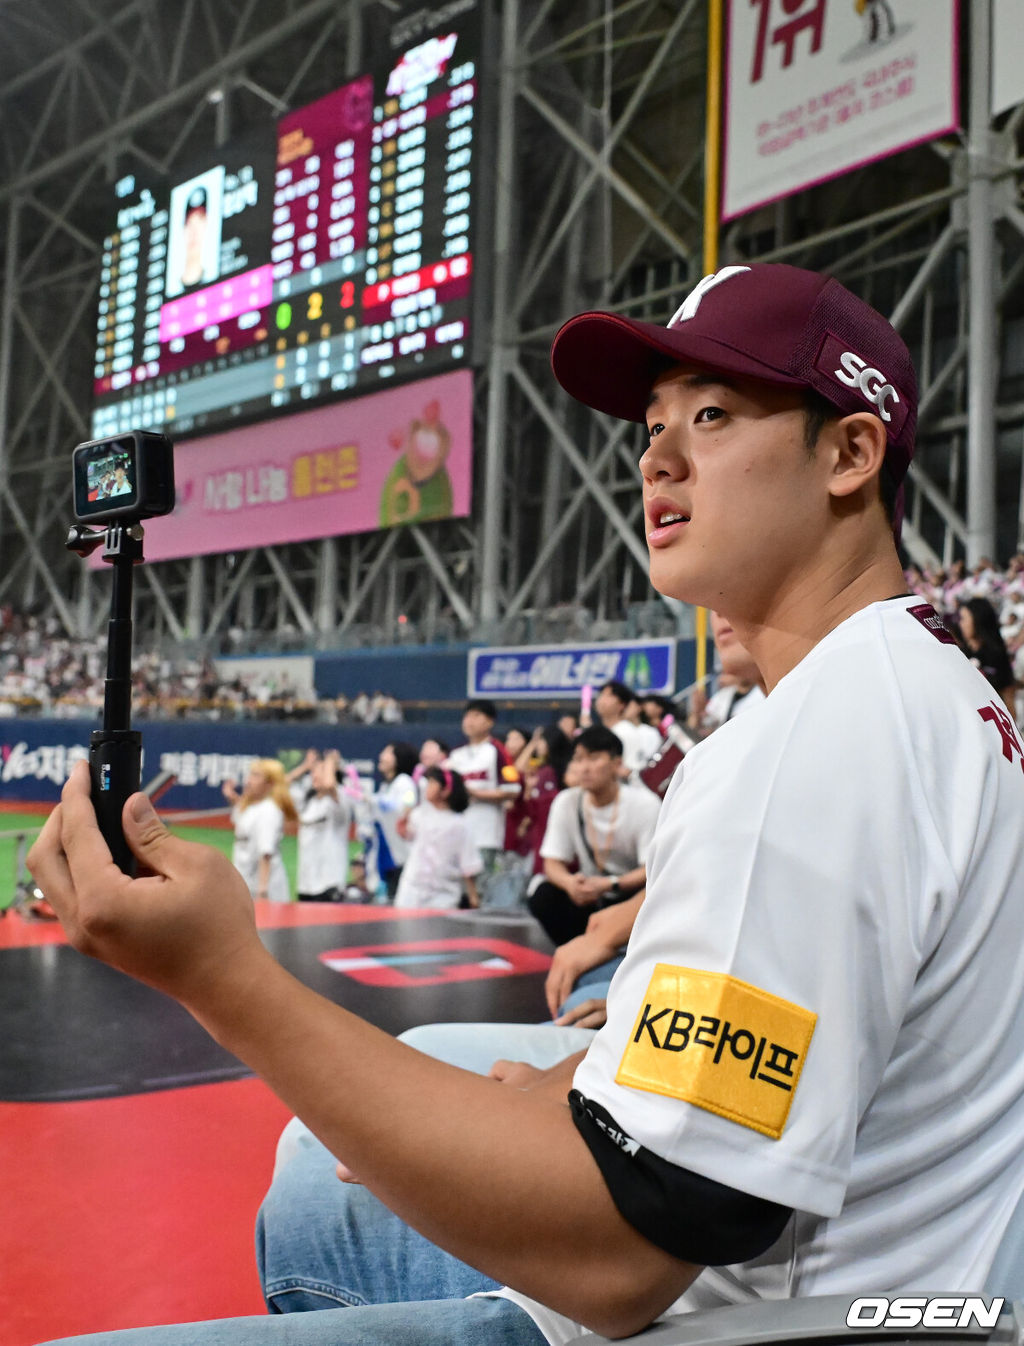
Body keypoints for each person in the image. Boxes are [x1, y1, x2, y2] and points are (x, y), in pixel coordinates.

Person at [28, 261, 1024, 1346]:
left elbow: (630, 1247)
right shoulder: (920, 681)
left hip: (762, 1316)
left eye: (712, 412)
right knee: (317, 1181)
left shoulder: (812, 744)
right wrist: (576, 1079)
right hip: (894, 1276)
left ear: (849, 452)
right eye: (650, 422)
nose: (658, 453)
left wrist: (221, 977)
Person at [528, 724, 659, 947]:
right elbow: (551, 863)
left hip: (630, 895)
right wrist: (570, 883)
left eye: (594, 758)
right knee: (543, 894)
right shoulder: (567, 801)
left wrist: (611, 884)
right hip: (591, 894)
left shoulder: (644, 804)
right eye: (578, 759)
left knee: (653, 899)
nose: (584, 767)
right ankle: (576, 949)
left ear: (617, 764)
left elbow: (652, 870)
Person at [445, 699, 521, 907]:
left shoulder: (499, 752)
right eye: (467, 715)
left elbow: (513, 789)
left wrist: (475, 793)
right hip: (457, 830)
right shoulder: (456, 755)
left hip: (485, 832)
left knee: (481, 888)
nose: (469, 720)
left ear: (490, 722)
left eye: (477, 716)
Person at [393, 767, 482, 910]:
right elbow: (407, 835)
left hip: (443, 894)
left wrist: (473, 894)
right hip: (411, 888)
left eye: (432, 783)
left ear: (446, 790)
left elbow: (469, 864)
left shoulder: (460, 824)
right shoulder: (419, 814)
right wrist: (403, 823)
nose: (427, 787)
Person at [221, 758, 296, 903]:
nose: (248, 781)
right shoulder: (250, 807)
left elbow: (265, 853)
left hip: (264, 890)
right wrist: (232, 798)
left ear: (269, 784)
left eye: (256, 776)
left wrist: (262, 892)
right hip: (247, 883)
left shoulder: (269, 811)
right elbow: (241, 818)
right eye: (250, 775)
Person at [293, 751, 352, 903]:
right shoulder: (308, 801)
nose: (314, 776)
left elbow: (329, 785)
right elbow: (279, 786)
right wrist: (305, 766)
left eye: (319, 772)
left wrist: (330, 762)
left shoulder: (339, 801)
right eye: (312, 772)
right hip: (305, 884)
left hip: (329, 883)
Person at [371, 741, 419, 899]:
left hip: (402, 856)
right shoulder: (386, 786)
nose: (381, 756)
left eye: (387, 753)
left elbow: (407, 805)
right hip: (388, 854)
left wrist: (374, 801)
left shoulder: (405, 782)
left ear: (399, 758)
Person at [957, 596, 1017, 718]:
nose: (960, 624)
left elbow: (1008, 696)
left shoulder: (996, 655)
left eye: (964, 619)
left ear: (977, 620)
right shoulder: (960, 654)